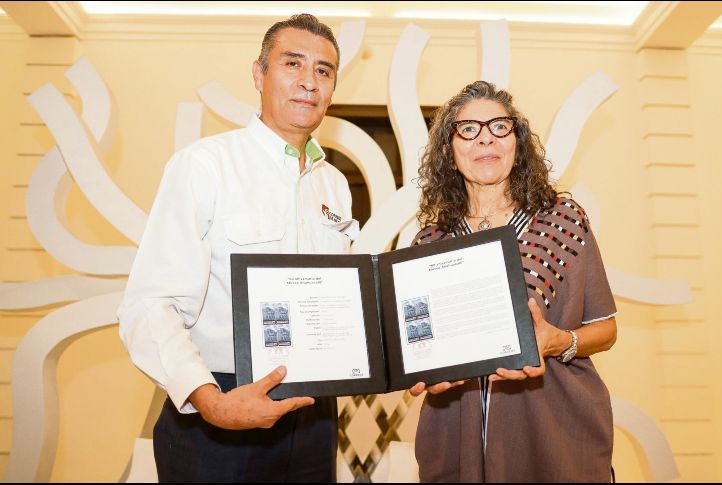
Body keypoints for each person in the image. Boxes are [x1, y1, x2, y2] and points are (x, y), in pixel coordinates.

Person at [118, 14, 356, 482]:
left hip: (314, 417)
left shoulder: (334, 184)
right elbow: (149, 304)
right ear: (258, 74)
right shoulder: (204, 165)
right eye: (293, 63)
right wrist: (210, 401)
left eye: (324, 71)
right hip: (219, 412)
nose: (309, 81)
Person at [408, 80, 618, 482]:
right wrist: (422, 373)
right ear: (449, 154)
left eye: (499, 127)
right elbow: (417, 350)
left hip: (554, 435)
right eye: (468, 129)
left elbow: (605, 329)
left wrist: (560, 340)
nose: (485, 138)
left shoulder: (563, 222)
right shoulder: (429, 244)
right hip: (454, 439)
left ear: (516, 143)